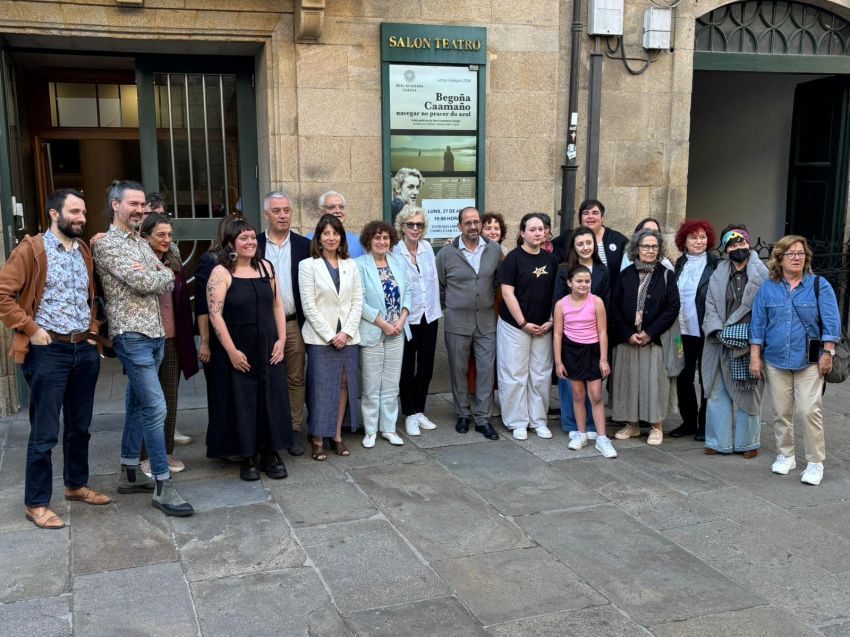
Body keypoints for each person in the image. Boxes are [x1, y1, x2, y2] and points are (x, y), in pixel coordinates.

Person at [0, 188, 110, 529]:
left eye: (84, 213)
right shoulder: (32, 249)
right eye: (74, 212)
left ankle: (76, 485)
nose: (81, 218)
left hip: (83, 350)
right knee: (45, 431)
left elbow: (92, 298)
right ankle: (36, 503)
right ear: (54, 214)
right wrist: (31, 329)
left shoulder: (84, 251)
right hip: (49, 351)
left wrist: (92, 331)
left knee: (80, 426)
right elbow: (3, 294)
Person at [93, 180, 193, 516]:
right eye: (132, 204)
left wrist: (159, 271)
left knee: (137, 403)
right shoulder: (108, 245)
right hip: (131, 334)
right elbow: (146, 280)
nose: (139, 210)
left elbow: (172, 270)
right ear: (115, 205)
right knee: (156, 407)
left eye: (142, 205)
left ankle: (129, 472)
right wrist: (159, 273)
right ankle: (163, 485)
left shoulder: (139, 241)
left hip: (154, 333)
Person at [206, 218, 293, 480]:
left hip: (268, 345)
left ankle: (271, 451)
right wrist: (231, 351)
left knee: (271, 397)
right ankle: (247, 455)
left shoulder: (267, 267)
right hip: (238, 347)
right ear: (231, 242)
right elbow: (215, 315)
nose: (250, 242)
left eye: (253, 237)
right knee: (243, 401)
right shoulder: (221, 272)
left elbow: (277, 306)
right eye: (243, 238)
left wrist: (281, 340)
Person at [750, 235, 840, 486]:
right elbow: (758, 325)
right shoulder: (768, 288)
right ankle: (786, 455)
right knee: (781, 412)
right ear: (779, 258)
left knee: (810, 411)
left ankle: (814, 462)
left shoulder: (818, 285)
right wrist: (755, 357)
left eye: (801, 253)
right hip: (775, 360)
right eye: (791, 253)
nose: (797, 257)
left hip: (809, 361)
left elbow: (832, 323)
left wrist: (828, 353)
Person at [300, 214, 364, 460]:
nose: (331, 238)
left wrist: (346, 332)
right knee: (320, 387)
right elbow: (309, 306)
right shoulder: (308, 265)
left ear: (341, 237)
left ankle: (336, 434)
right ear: (319, 237)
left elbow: (358, 301)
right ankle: (317, 437)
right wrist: (331, 336)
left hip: (348, 336)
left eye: (335, 233)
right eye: (326, 233)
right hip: (320, 338)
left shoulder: (351, 264)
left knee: (345, 384)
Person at [138, 214, 198, 476]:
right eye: (160, 235)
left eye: (170, 235)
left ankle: (166, 451)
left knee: (170, 398)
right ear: (146, 236)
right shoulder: (136, 260)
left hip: (173, 338)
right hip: (145, 339)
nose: (166, 240)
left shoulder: (173, 260)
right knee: (150, 401)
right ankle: (145, 455)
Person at [436, 206, 503, 440]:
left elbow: (497, 281)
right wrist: (452, 306)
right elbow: (440, 285)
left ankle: (483, 418)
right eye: (468, 223)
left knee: (486, 370)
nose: (473, 226)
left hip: (486, 321)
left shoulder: (494, 249)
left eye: (476, 222)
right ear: (459, 226)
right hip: (457, 322)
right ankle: (463, 413)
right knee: (458, 369)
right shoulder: (446, 254)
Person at [701, 225, 767, 458]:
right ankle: (717, 441)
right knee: (717, 391)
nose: (738, 247)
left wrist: (747, 337)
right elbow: (710, 306)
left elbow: (766, 311)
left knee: (748, 391)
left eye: (741, 243)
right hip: (719, 341)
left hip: (749, 344)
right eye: (732, 244)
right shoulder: (718, 273)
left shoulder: (764, 274)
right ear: (726, 248)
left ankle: (748, 443)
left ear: (748, 244)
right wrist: (719, 332)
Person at [610, 228, 680, 445]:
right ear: (636, 249)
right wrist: (628, 333)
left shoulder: (667, 275)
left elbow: (672, 307)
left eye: (654, 246)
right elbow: (614, 308)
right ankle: (632, 425)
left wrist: (650, 333)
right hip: (628, 340)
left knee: (655, 382)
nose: (650, 250)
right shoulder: (625, 275)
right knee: (630, 381)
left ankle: (656, 426)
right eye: (645, 246)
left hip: (655, 340)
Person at [256, 191, 311, 456]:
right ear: (266, 214)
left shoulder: (304, 245)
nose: (283, 215)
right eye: (276, 211)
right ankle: (267, 430)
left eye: (286, 210)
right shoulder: (253, 245)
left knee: (295, 378)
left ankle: (293, 429)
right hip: (261, 326)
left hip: (292, 324)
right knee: (264, 378)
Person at [497, 213, 560, 440]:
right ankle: (517, 421)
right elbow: (507, 293)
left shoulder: (552, 260)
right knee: (515, 374)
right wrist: (523, 323)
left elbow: (557, 295)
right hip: (515, 326)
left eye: (541, 229)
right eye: (532, 229)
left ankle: (538, 420)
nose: (537, 233)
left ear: (546, 233)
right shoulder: (513, 259)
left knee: (540, 375)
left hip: (544, 327)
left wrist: (551, 321)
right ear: (522, 233)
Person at [356, 221, 412, 447]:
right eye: (377, 238)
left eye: (386, 238)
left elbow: (408, 292)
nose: (381, 242)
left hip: (397, 332)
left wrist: (400, 320)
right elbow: (358, 301)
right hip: (373, 332)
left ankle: (388, 428)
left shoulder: (398, 262)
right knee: (371, 385)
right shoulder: (358, 265)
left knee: (391, 384)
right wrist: (383, 324)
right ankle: (370, 430)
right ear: (369, 241)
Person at [553, 226, 611, 439]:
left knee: (594, 390)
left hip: (594, 338)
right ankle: (574, 427)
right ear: (574, 247)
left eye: (589, 243)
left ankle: (594, 427)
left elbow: (607, 301)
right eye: (580, 243)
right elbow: (558, 301)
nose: (585, 247)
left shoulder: (602, 270)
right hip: (571, 338)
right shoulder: (563, 269)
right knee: (573, 389)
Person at [553, 265, 616, 458]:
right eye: (579, 281)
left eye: (587, 281)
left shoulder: (596, 302)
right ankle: (581, 434)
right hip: (572, 351)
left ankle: (602, 438)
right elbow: (557, 334)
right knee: (578, 395)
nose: (583, 285)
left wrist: (604, 360)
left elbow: (602, 331)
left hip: (593, 351)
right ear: (569, 283)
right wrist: (558, 362)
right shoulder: (561, 304)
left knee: (596, 395)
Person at [669, 220, 719, 441]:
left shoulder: (716, 265)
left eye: (702, 237)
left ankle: (704, 424)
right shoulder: (679, 264)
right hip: (682, 331)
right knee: (683, 376)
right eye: (693, 237)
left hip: (705, 331)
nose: (698, 242)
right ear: (684, 241)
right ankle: (688, 421)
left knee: (706, 379)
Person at [393, 205, 441, 436]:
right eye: (410, 224)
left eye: (419, 225)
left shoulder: (428, 248)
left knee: (426, 366)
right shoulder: (394, 251)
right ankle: (409, 413)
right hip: (407, 318)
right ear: (402, 226)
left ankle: (420, 410)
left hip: (429, 315)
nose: (415, 228)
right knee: (406, 367)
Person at [552, 199, 628, 286]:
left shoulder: (618, 240)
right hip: (572, 295)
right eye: (585, 213)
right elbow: (548, 250)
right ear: (580, 219)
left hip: (607, 295)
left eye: (595, 213)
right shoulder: (567, 237)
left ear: (602, 218)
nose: (590, 216)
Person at [308, 191, 365, 258]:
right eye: (331, 207)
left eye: (341, 207)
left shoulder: (358, 241)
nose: (338, 211)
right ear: (321, 212)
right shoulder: (309, 240)